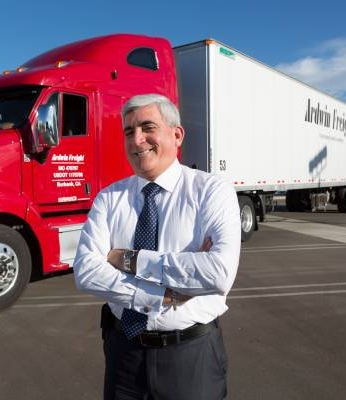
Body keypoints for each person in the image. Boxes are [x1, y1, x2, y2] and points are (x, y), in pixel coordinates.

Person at [73, 94, 241, 400]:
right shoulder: (109, 198)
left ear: (177, 135)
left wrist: (130, 259)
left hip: (191, 357)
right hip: (124, 354)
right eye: (129, 132)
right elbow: (86, 271)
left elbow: (218, 273)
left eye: (148, 128)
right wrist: (164, 295)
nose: (137, 140)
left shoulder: (211, 192)